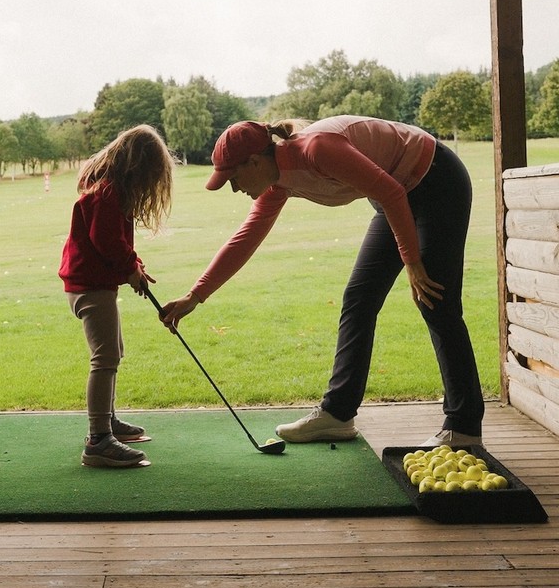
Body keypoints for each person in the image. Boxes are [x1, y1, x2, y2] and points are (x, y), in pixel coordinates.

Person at [161, 115, 484, 449]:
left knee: (435, 300)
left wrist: (412, 263)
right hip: (393, 196)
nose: (235, 187)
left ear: (254, 162)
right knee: (359, 299)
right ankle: (338, 414)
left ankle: (463, 427)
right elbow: (245, 239)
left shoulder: (316, 149)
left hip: (436, 181)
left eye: (233, 178)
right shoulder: (278, 184)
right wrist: (194, 296)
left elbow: (390, 191)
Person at [59, 125, 174, 467]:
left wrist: (134, 266)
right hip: (90, 287)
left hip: (94, 286)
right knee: (105, 358)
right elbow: (105, 241)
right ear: (138, 167)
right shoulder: (107, 193)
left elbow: (117, 244)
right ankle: (98, 440)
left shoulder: (110, 192)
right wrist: (129, 268)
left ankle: (107, 424)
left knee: (113, 353)